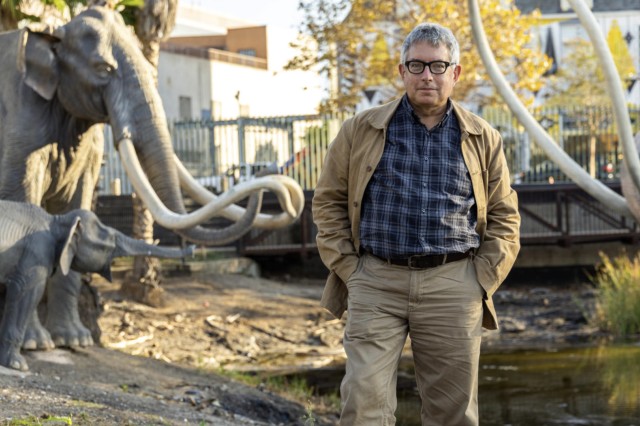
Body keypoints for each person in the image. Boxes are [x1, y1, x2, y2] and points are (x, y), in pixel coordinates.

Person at [312, 22, 520, 425]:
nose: (428, 75)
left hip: (453, 284)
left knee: (453, 415)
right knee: (362, 407)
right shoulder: (361, 129)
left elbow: (505, 217)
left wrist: (480, 279)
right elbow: (328, 202)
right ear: (402, 71)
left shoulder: (483, 137)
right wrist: (351, 271)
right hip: (375, 280)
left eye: (439, 66)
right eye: (418, 65)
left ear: (455, 73)